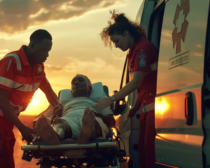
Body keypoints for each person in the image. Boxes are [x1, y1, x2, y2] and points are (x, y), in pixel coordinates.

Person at [0, 29, 59, 168]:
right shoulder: (11, 61)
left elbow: (51, 95)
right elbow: (2, 100)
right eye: (44, 50)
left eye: (49, 51)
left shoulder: (38, 67)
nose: (47, 55)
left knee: (7, 161)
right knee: (0, 162)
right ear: (32, 45)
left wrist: (61, 109)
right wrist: (22, 128)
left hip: (6, 120)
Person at [95, 11, 158, 168]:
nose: (116, 45)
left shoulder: (142, 49)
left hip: (153, 106)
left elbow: (136, 82)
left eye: (116, 41)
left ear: (126, 33)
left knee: (149, 151)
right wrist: (136, 106)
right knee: (143, 150)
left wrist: (112, 99)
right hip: (145, 107)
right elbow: (145, 82)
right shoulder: (134, 51)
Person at [36, 74, 115, 145]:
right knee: (59, 122)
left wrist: (95, 115)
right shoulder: (62, 104)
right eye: (73, 83)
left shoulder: (100, 102)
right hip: (69, 119)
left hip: (92, 118)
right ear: (72, 91)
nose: (76, 83)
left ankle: (87, 132)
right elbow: (52, 118)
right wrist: (57, 115)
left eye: (81, 80)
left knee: (93, 122)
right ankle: (55, 135)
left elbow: (112, 122)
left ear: (90, 88)